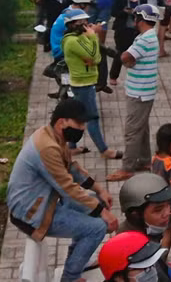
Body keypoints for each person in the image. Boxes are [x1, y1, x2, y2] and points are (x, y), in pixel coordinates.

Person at [7, 99, 117, 282]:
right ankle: (70, 278)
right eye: (79, 123)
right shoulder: (47, 147)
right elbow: (67, 187)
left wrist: (99, 189)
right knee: (97, 227)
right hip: (31, 213)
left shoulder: (52, 136)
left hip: (42, 201)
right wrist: (103, 212)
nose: (83, 128)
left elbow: (71, 168)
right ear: (61, 122)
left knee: (94, 205)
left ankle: (77, 260)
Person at [108, 4, 161, 182]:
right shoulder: (148, 35)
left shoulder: (145, 39)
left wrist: (128, 60)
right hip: (144, 90)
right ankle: (145, 160)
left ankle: (127, 167)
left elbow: (125, 57)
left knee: (132, 130)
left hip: (139, 92)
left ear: (139, 18)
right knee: (142, 127)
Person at [61, 8, 121, 159]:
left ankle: (71, 147)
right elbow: (94, 55)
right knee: (92, 117)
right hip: (83, 84)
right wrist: (94, 37)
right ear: (72, 24)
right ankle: (104, 151)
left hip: (85, 82)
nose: (87, 24)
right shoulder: (71, 41)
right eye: (82, 22)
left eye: (86, 21)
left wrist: (91, 46)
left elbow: (96, 58)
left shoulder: (79, 37)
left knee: (76, 116)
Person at [116, 172, 171, 281]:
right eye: (158, 210)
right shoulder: (133, 250)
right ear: (136, 214)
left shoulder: (147, 229)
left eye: (169, 205)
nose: (167, 213)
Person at [150, 124, 171, 252]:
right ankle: (162, 262)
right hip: (168, 203)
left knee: (156, 232)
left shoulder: (155, 159)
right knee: (169, 231)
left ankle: (154, 258)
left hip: (155, 200)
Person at [98, 231, 168, 282]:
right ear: (119, 278)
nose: (151, 271)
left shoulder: (161, 276)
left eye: (151, 264)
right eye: (141, 267)